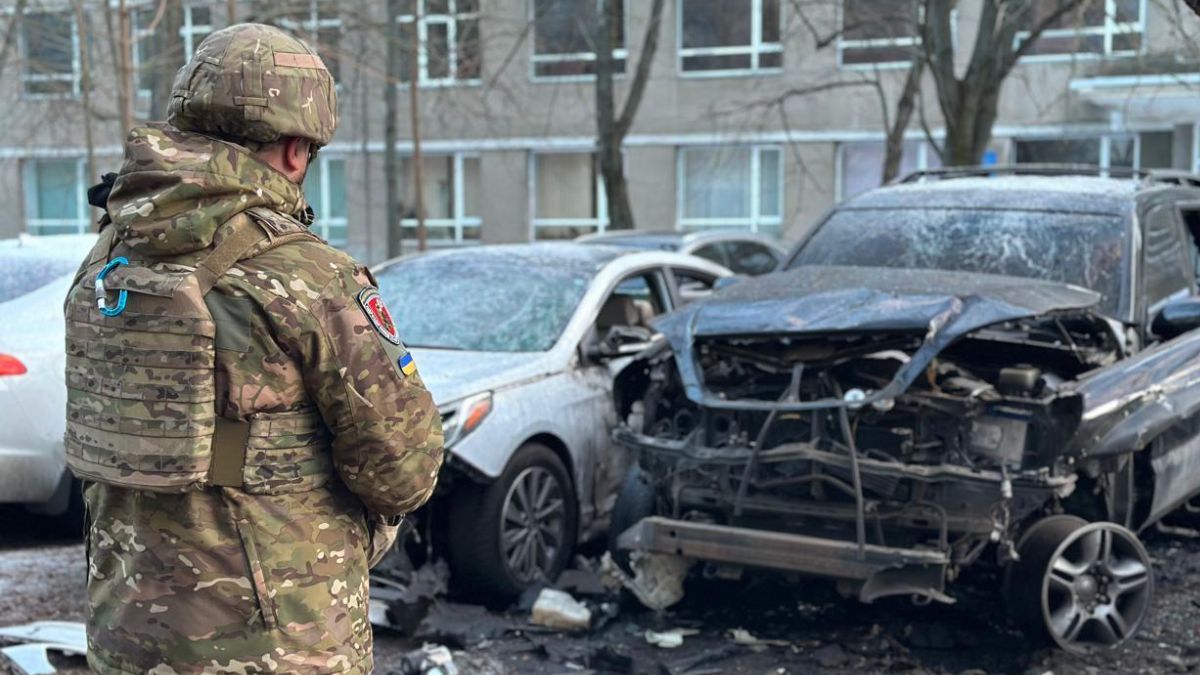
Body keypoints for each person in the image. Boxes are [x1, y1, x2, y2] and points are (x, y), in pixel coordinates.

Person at [62, 23, 443, 674]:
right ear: (296, 150)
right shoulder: (306, 276)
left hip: (125, 632)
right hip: (277, 645)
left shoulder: (107, 256)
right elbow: (404, 467)